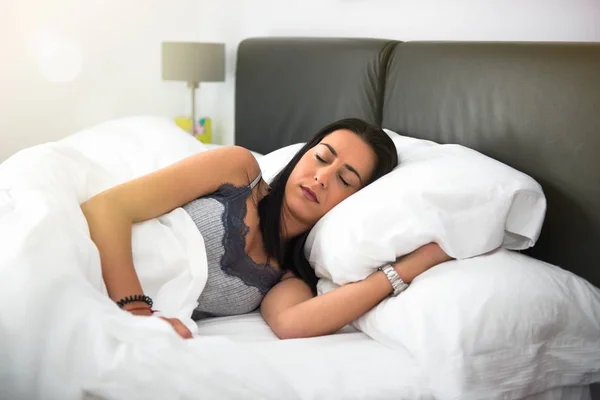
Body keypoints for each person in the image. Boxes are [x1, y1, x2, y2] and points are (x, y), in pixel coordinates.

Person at [81, 118, 453, 340]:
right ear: (304, 153)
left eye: (345, 179)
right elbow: (108, 207)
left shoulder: (287, 276)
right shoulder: (238, 170)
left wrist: (412, 265)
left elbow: (292, 324)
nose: (322, 178)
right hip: (88, 257)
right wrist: (136, 315)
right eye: (322, 157)